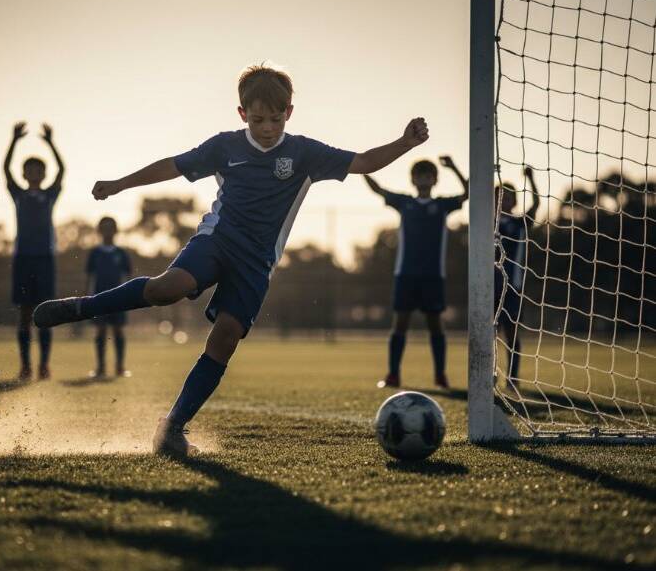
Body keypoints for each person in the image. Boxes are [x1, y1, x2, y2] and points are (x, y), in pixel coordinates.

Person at [34, 64, 429, 456]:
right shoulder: (225, 147)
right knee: (167, 288)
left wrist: (404, 143)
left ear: (289, 112)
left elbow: (362, 162)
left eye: (276, 118)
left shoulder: (305, 153)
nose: (268, 127)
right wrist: (121, 183)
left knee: (224, 339)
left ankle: (172, 427)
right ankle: (82, 307)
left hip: (257, 262)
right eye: (258, 119)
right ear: (242, 114)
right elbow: (172, 166)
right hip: (217, 240)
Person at [363, 155, 468, 390]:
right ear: (412, 179)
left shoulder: (441, 205)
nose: (423, 179)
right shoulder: (404, 202)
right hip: (406, 274)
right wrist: (360, 168)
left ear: (434, 180)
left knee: (435, 324)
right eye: (419, 175)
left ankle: (440, 375)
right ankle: (393, 375)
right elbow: (378, 189)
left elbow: (467, 193)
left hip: (433, 276)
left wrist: (454, 168)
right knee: (400, 323)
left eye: (427, 175)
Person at [4, 122, 64, 380]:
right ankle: (25, 365)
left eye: (38, 169)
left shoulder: (50, 195)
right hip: (23, 259)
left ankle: (44, 365)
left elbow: (63, 169)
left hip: (45, 259)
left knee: (45, 313)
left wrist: (50, 142)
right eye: (29, 169)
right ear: (24, 174)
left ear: (43, 173)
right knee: (24, 314)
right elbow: (5, 169)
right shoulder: (18, 194)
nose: (34, 173)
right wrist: (13, 141)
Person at [495, 166, 540, 390]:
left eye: (508, 197)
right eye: (500, 197)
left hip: (512, 285)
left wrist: (531, 180)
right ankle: (489, 373)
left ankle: (512, 378)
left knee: (511, 332)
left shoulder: (519, 223)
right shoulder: (486, 223)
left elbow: (537, 204)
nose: (504, 201)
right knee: (487, 333)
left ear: (514, 201)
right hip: (487, 287)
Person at [86, 216, 133, 378]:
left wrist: (127, 298)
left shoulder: (121, 253)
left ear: (115, 230)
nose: (107, 231)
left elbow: (128, 277)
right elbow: (90, 278)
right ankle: (100, 368)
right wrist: (89, 300)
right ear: (99, 231)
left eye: (110, 228)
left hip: (118, 299)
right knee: (100, 331)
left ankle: (120, 367)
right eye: (104, 228)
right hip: (99, 299)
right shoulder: (94, 253)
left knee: (118, 331)